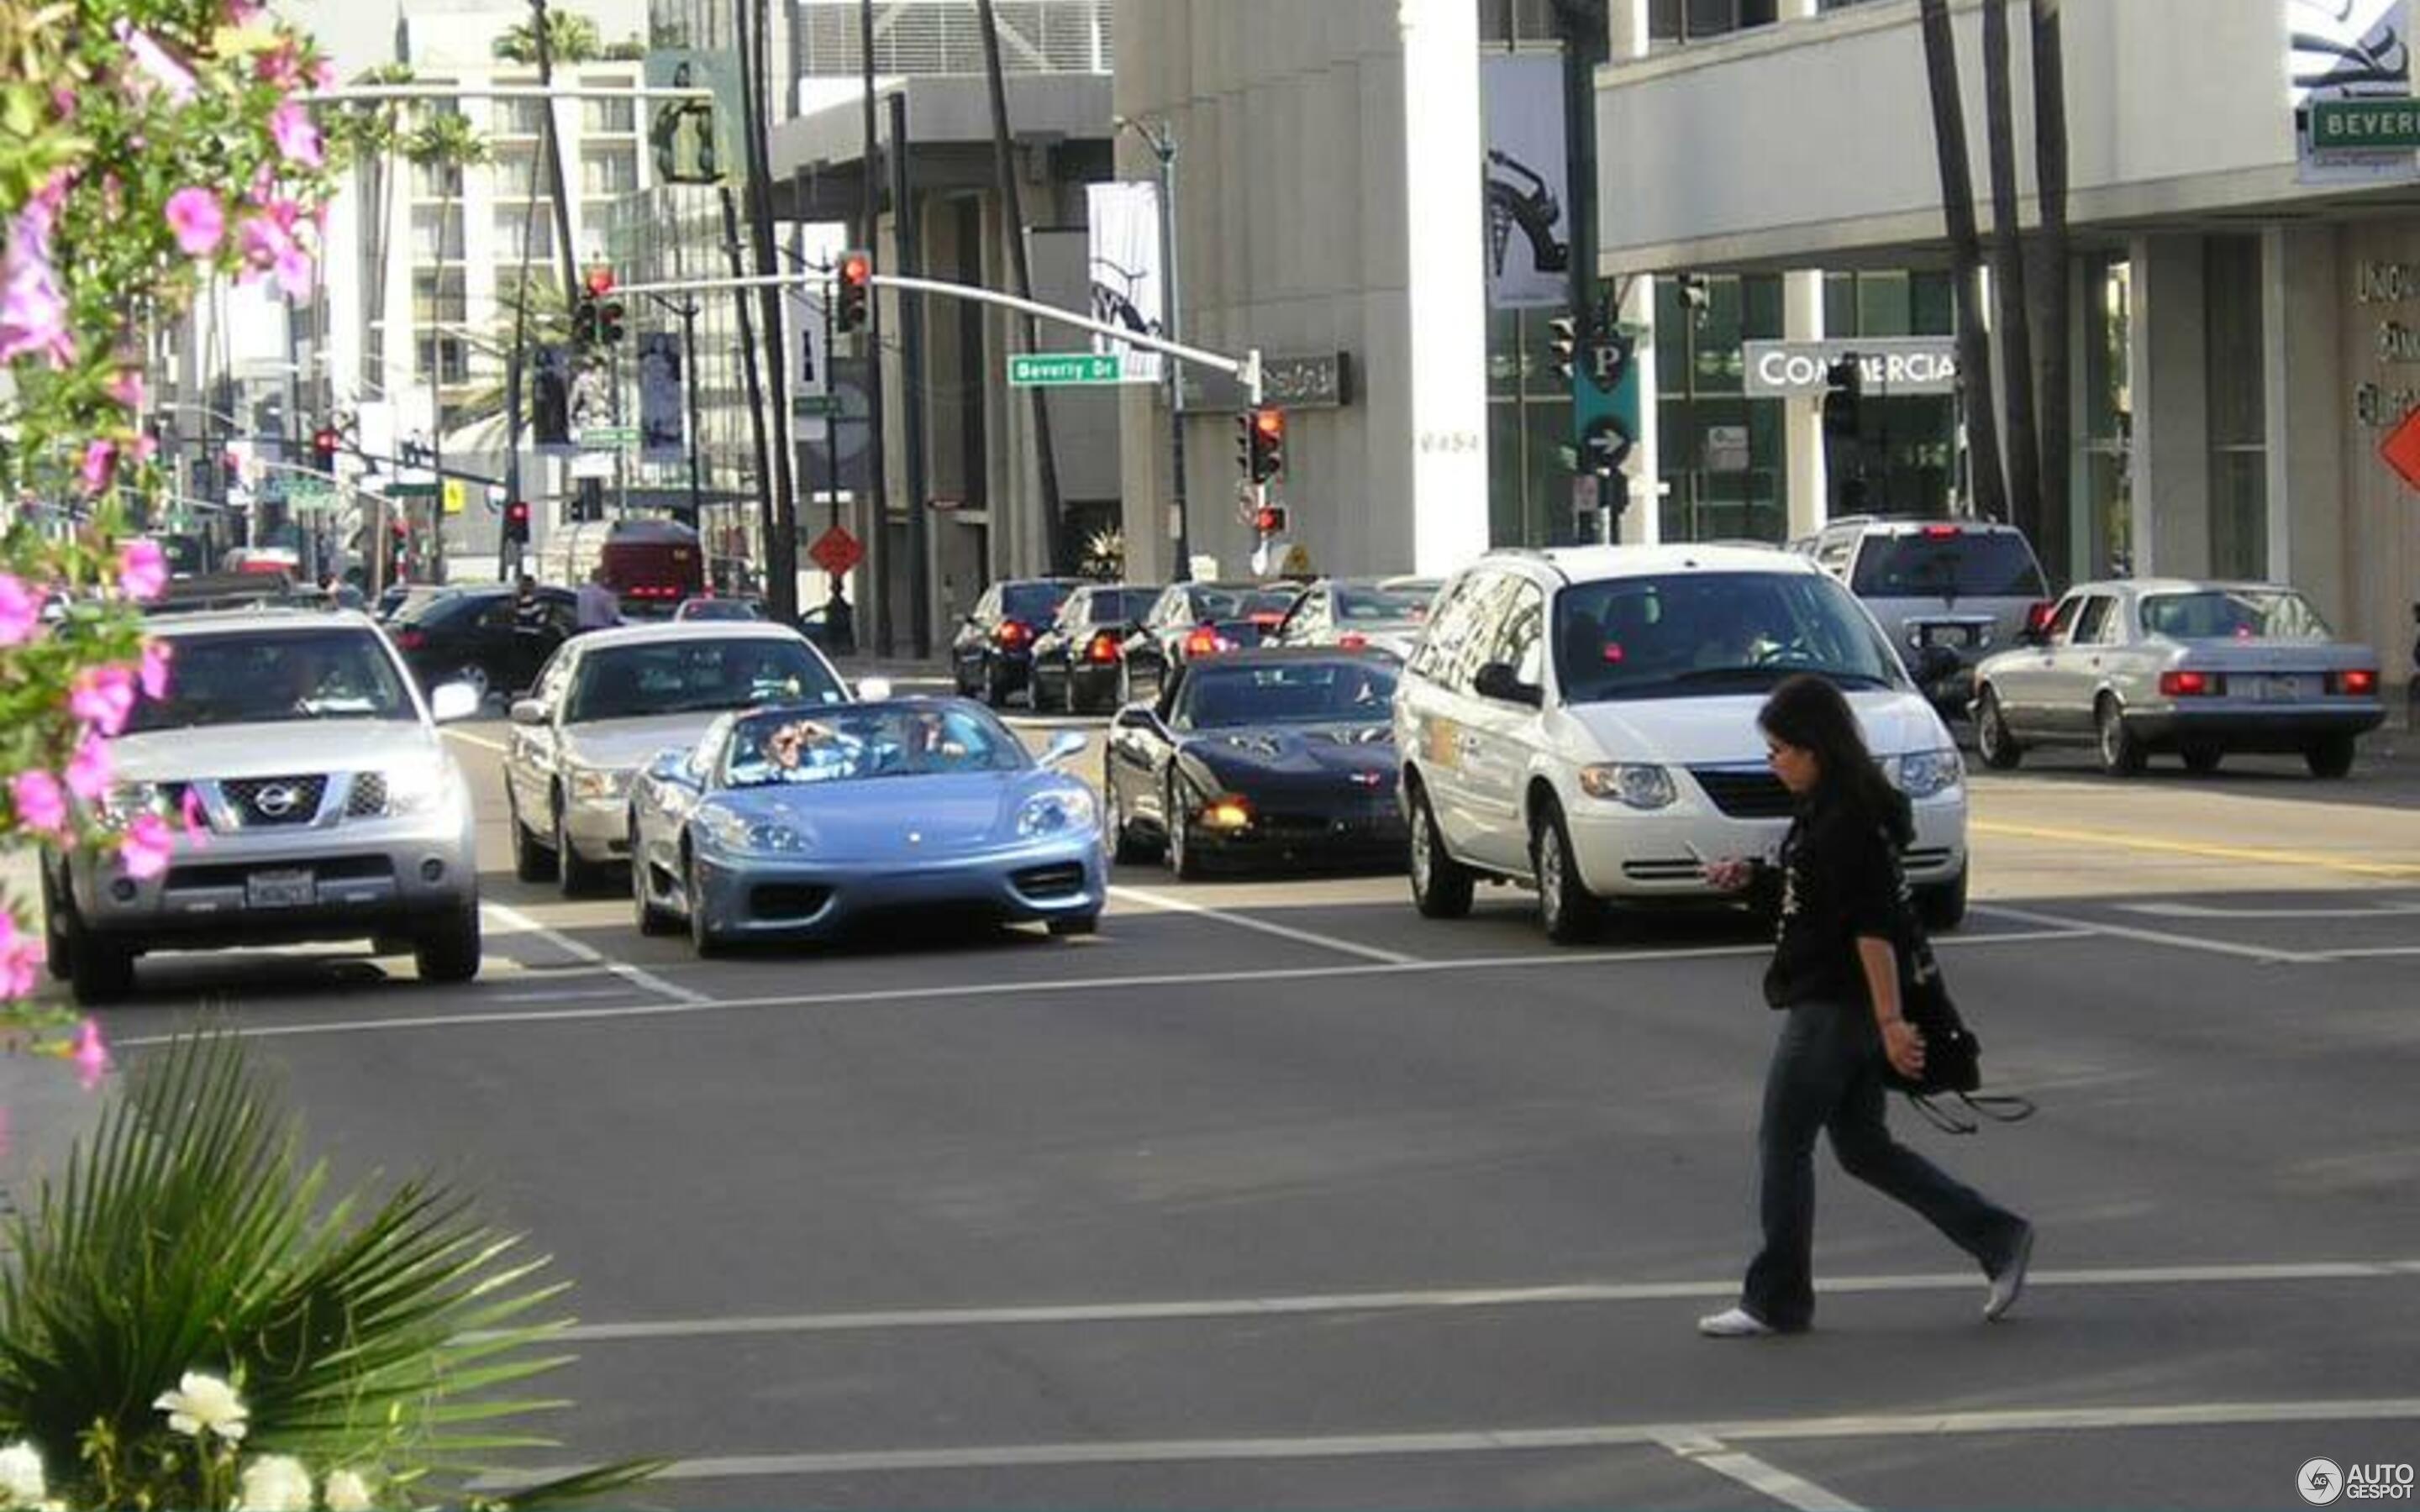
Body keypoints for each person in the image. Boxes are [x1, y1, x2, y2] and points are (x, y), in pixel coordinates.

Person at [1697, 674, 2032, 1338]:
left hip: (1833, 1006)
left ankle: (1777, 1298)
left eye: (1780, 749)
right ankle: (1997, 1237)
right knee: (1862, 1148)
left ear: (1816, 748)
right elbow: (1819, 901)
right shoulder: (1833, 807)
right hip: (1839, 1001)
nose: (1774, 762)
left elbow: (1871, 927)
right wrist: (1754, 879)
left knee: (1784, 1142)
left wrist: (1889, 1021)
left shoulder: (1844, 819)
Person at [576, 564, 619, 632]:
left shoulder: (581, 594)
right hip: (600, 630)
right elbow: (612, 616)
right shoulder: (605, 595)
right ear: (601, 577)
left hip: (583, 630)